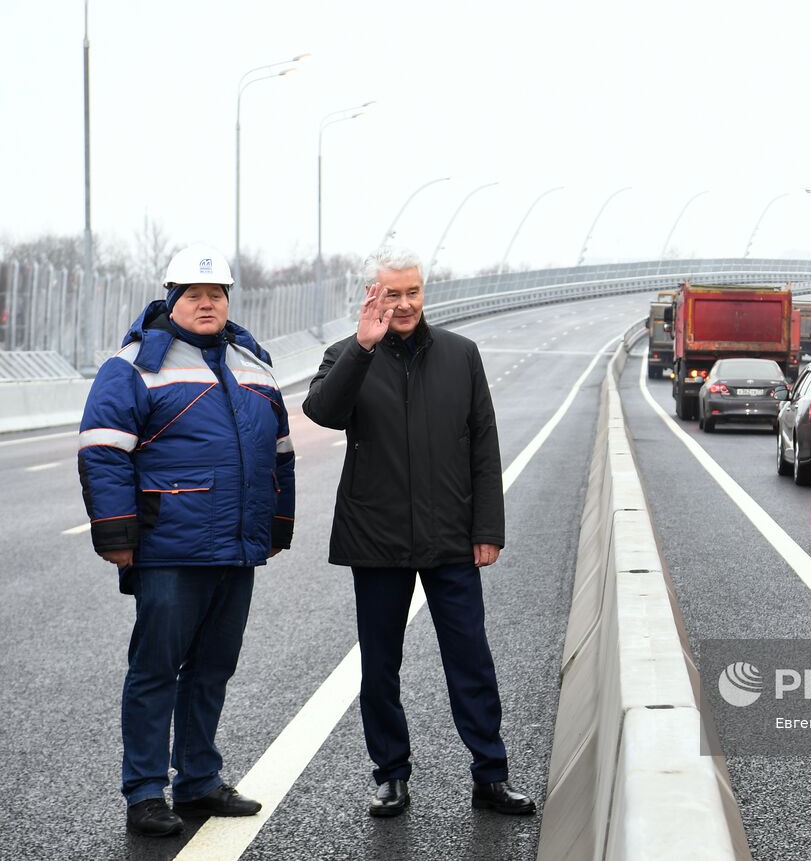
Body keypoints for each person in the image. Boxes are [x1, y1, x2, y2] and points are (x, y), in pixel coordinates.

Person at [303, 246, 534, 818]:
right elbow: (323, 412)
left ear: (423, 293)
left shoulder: (462, 355)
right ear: (371, 296)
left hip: (450, 537)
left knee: (471, 660)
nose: (403, 304)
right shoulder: (347, 354)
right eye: (391, 293)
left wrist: (487, 528)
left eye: (412, 292)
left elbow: (484, 443)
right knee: (380, 667)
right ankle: (391, 775)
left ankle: (491, 775)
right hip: (375, 539)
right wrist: (362, 346)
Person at [77, 247, 295, 837]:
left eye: (216, 294)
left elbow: (280, 454)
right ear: (172, 299)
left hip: (236, 546)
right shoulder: (132, 365)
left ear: (228, 301)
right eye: (194, 294)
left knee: (213, 668)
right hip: (169, 547)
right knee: (154, 670)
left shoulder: (253, 362)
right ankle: (146, 792)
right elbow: (102, 451)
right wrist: (116, 534)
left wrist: (277, 527)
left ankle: (198, 780)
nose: (207, 303)